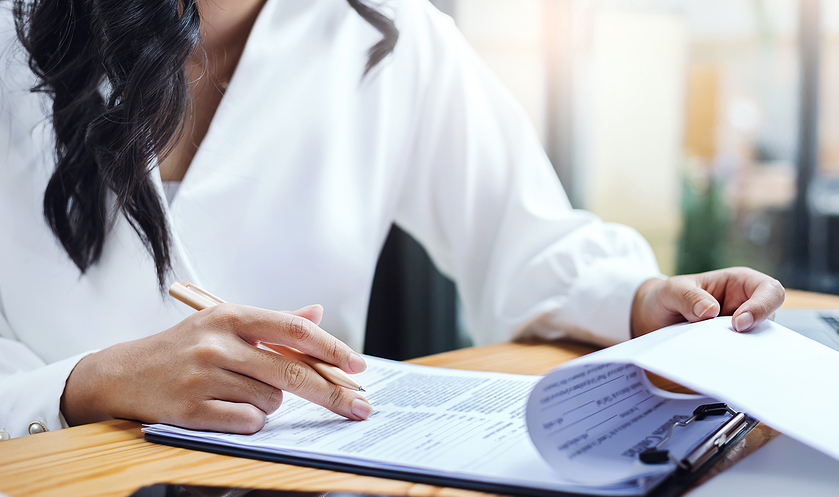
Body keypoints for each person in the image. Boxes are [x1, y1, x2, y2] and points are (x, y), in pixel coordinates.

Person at [0, 0, 784, 440]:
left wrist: (641, 296)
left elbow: (526, 235)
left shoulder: (387, 34)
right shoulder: (15, 33)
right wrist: (81, 386)